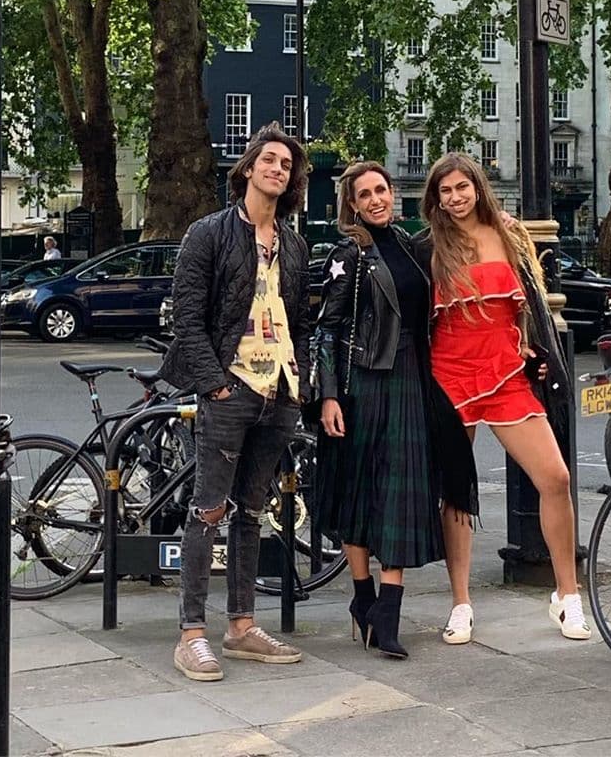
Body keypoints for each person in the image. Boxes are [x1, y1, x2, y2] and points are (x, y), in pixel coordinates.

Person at [419, 152, 590, 644]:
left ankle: (567, 595)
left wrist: (538, 351)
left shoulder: (512, 235)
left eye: (461, 187)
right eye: (445, 191)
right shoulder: (430, 245)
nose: (454, 198)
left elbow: (532, 305)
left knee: (555, 478)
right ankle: (460, 603)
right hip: (449, 374)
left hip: (507, 371)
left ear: (478, 186)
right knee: (456, 492)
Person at [162, 122, 311, 682]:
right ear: (248, 168)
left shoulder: (294, 245)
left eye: (287, 164)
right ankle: (192, 634)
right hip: (232, 388)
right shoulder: (209, 233)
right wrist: (215, 384)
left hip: (281, 392)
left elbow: (299, 320)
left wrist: (301, 378)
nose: (278, 169)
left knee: (252, 512)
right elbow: (187, 316)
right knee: (208, 511)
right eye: (269, 160)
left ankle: (242, 627)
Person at [314, 162, 477, 659]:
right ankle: (364, 596)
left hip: (413, 378)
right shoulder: (349, 254)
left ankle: (388, 610)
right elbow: (326, 327)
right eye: (364, 195)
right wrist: (327, 395)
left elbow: (460, 237)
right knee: (361, 491)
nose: (376, 200)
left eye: (381, 190)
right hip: (364, 380)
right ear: (353, 206)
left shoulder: (410, 245)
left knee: (401, 494)